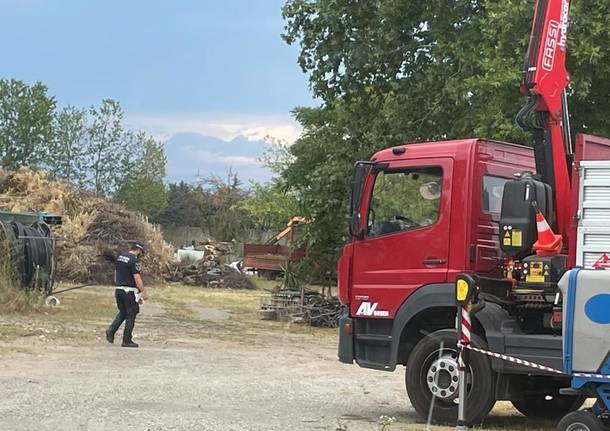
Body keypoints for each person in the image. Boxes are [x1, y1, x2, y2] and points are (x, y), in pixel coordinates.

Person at [105, 242, 147, 348]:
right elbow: (137, 278)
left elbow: (116, 273)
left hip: (119, 289)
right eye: (141, 252)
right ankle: (127, 339)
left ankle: (111, 331)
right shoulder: (134, 260)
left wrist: (118, 283)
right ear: (138, 250)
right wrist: (143, 292)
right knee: (131, 313)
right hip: (129, 291)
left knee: (123, 312)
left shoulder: (121, 257)